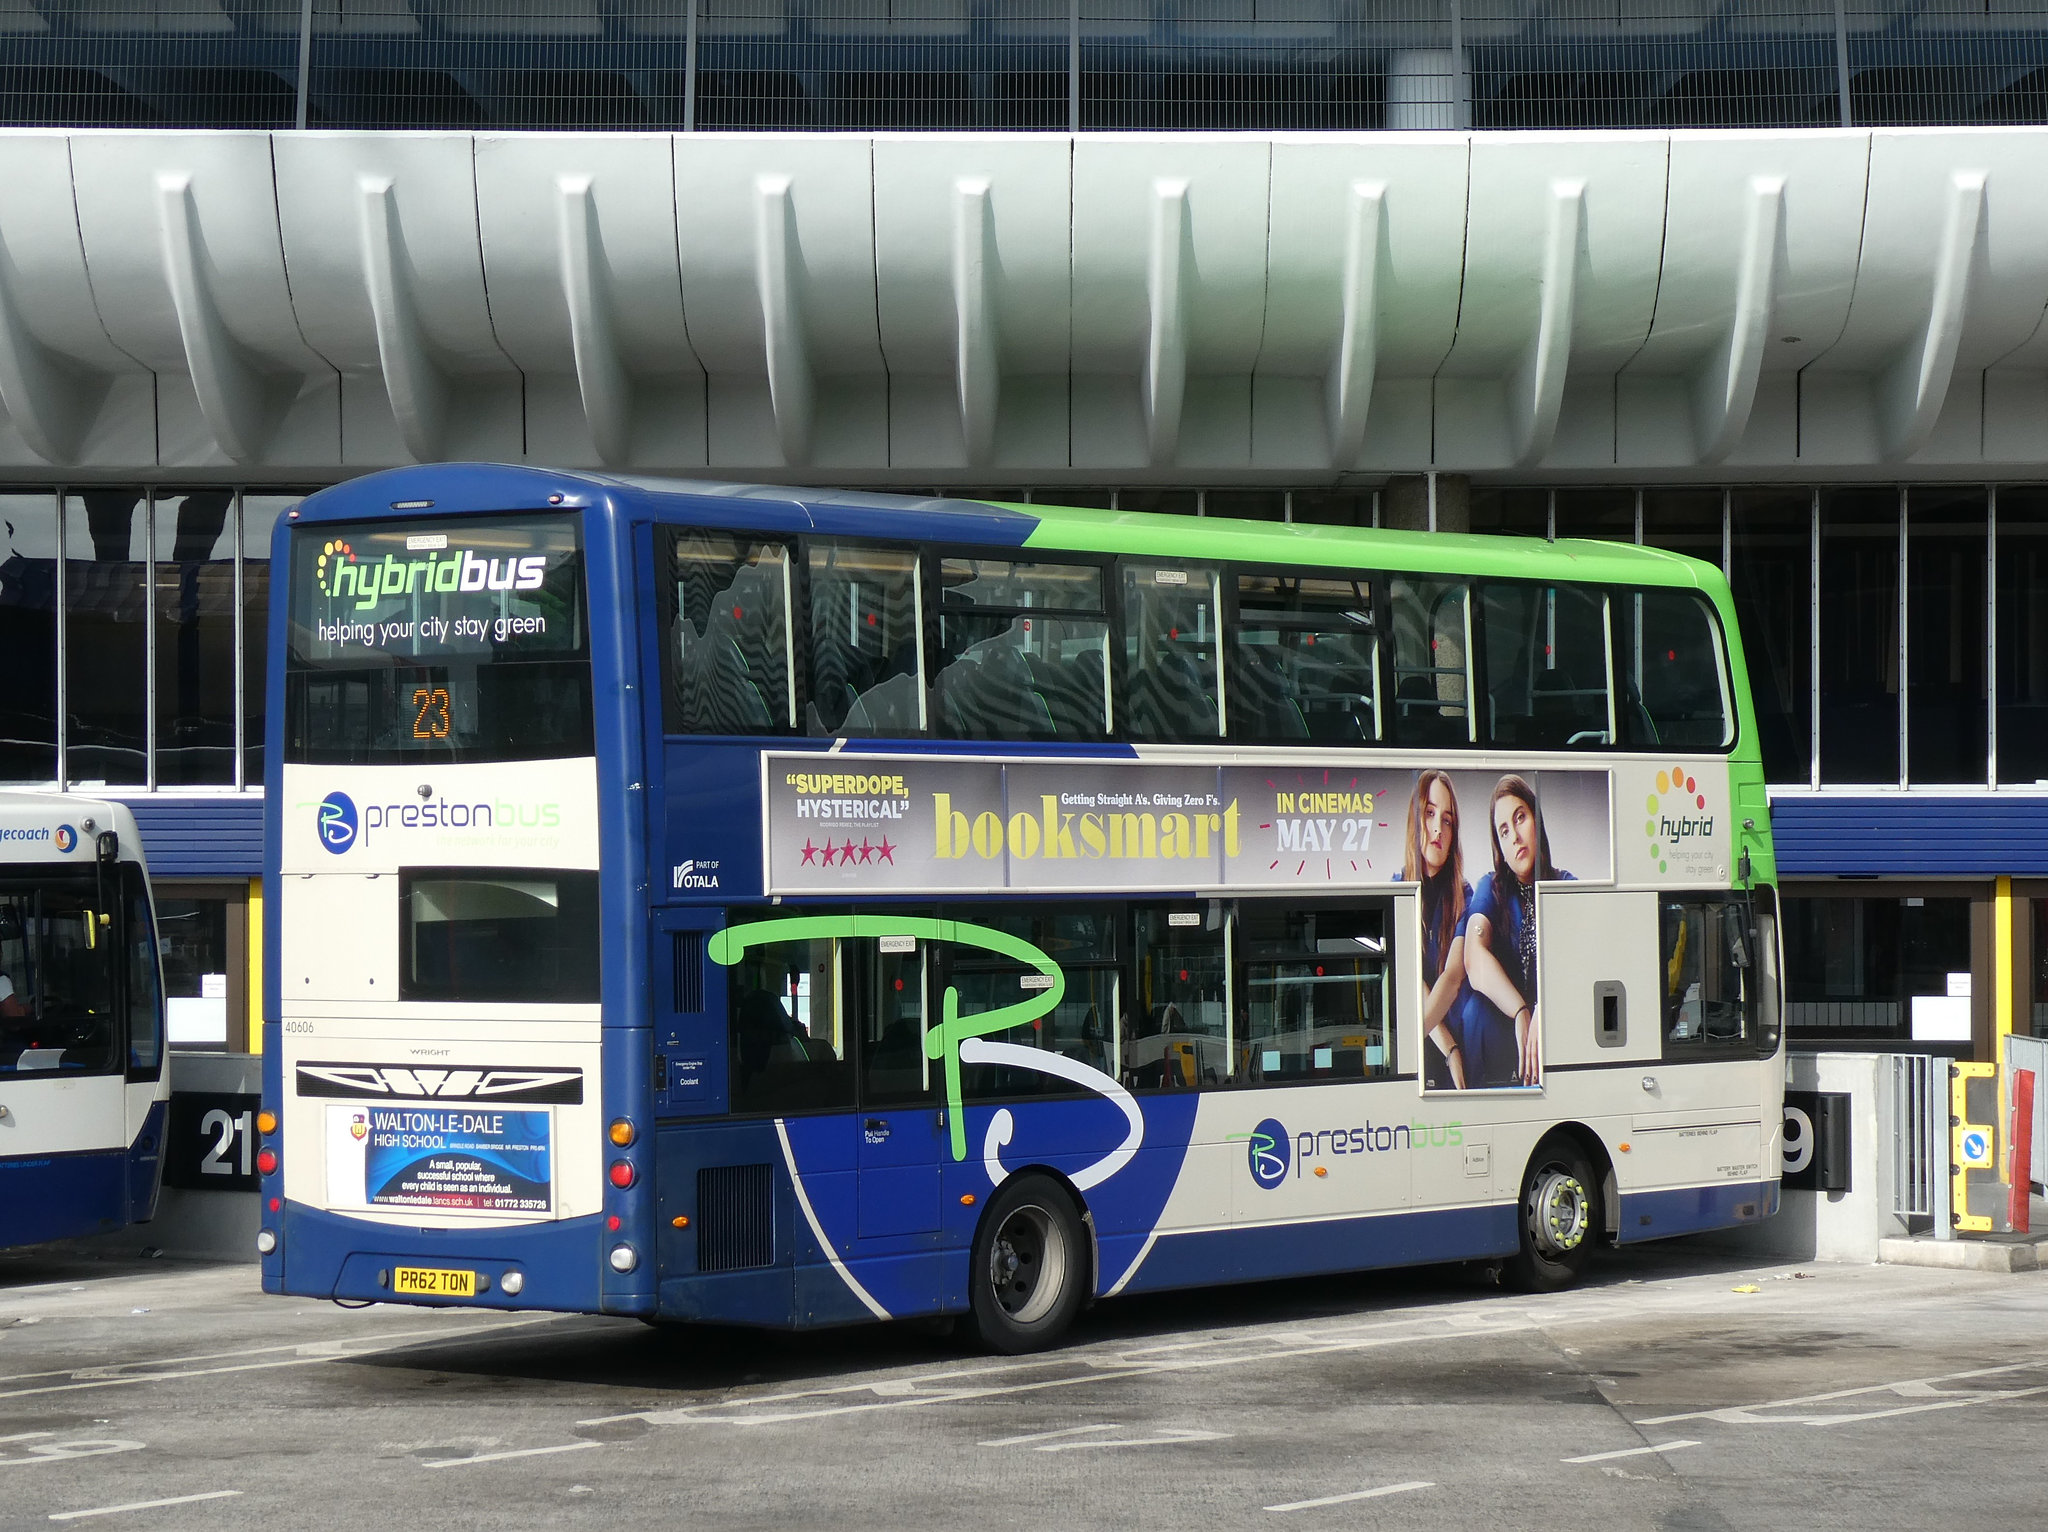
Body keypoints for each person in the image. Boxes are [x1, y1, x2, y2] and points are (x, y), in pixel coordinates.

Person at [1456, 774, 1573, 1087]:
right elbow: (1473, 957)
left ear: (1537, 819)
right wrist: (1521, 1010)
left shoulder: (1567, 886)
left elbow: (1581, 964)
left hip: (1559, 1035)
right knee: (1475, 1010)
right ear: (1500, 847)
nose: (1515, 837)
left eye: (1520, 818)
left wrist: (1543, 1008)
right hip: (1505, 1035)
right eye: (1504, 831)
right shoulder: (1490, 889)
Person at [1398, 770, 1470, 1090]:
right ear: (1416, 818)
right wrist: (1446, 1046)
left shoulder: (1465, 897)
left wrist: (1453, 1049)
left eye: (1448, 820)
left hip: (1456, 1038)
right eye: (1430, 813)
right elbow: (1416, 982)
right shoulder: (1398, 889)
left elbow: (1452, 978)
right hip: (1428, 1042)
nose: (1438, 828)